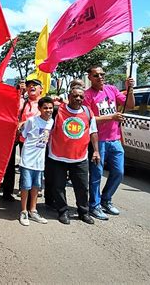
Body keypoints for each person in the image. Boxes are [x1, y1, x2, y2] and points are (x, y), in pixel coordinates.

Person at [84, 66, 135, 220]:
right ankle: (94, 205)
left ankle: (106, 199)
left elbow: (130, 105)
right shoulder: (87, 95)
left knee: (119, 172)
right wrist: (111, 117)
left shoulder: (112, 89)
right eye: (96, 75)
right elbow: (88, 119)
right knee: (96, 174)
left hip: (115, 139)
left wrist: (130, 89)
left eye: (102, 74)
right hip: (97, 141)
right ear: (90, 78)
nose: (100, 77)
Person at [46, 87, 100, 225]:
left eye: (81, 97)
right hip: (58, 156)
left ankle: (83, 212)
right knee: (58, 187)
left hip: (80, 158)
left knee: (82, 187)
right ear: (69, 96)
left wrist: (96, 151)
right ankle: (63, 211)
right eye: (75, 96)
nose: (78, 99)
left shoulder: (88, 112)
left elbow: (93, 132)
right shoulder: (57, 110)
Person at [1, 79, 43, 202]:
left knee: (30, 167)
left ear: (41, 89)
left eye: (35, 85)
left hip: (35, 142)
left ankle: (28, 193)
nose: (32, 87)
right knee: (10, 165)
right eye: (29, 85)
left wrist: (25, 122)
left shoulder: (44, 104)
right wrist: (17, 90)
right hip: (19, 137)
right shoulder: (22, 102)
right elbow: (11, 108)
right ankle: (7, 192)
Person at [18, 97, 54, 226]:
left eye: (50, 108)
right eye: (45, 108)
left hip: (40, 161)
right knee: (25, 186)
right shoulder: (32, 121)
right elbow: (24, 135)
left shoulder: (51, 122)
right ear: (39, 108)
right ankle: (23, 211)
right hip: (28, 159)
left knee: (36, 187)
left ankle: (33, 210)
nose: (48, 110)